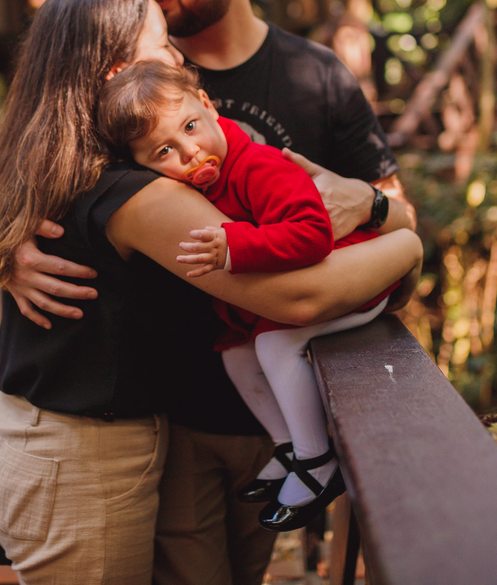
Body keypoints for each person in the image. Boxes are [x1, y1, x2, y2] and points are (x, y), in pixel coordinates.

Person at [5, 0, 418, 585]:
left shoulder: (316, 76)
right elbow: (32, 149)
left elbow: (392, 208)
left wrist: (384, 213)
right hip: (164, 412)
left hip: (277, 405)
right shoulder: (124, 76)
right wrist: (3, 244)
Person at [97, 61, 407, 533]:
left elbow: (313, 234)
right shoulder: (205, 180)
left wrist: (235, 245)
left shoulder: (258, 166)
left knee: (274, 346)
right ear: (140, 167)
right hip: (308, 285)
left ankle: (317, 459)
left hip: (357, 278)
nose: (189, 152)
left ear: (207, 105)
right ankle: (287, 445)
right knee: (235, 354)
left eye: (191, 128)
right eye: (164, 151)